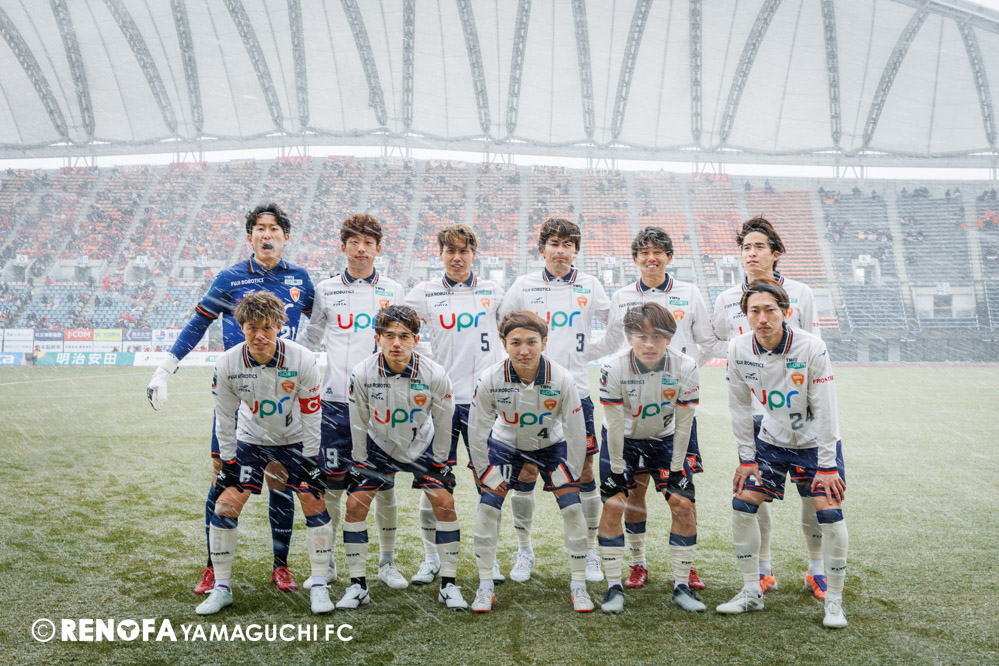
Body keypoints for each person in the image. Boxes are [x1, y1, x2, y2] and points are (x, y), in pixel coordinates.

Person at [146, 203, 315, 596]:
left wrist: (304, 354)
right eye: (260, 228)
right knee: (222, 476)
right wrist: (164, 369)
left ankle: (281, 566)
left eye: (274, 228)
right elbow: (198, 323)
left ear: (286, 237)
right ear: (250, 236)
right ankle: (213, 567)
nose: (267, 234)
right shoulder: (230, 278)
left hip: (283, 395)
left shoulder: (300, 279)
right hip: (239, 393)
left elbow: (320, 322)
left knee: (280, 480)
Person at [717, 279, 848, 629]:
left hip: (814, 444)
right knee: (743, 504)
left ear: (786, 312)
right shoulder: (738, 348)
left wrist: (827, 465)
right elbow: (739, 407)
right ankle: (751, 591)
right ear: (745, 315)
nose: (762, 318)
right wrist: (746, 458)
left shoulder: (812, 347)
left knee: (829, 511)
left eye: (770, 310)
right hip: (772, 441)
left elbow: (826, 410)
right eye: (754, 311)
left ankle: (834, 601)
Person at [589, 227, 714, 591]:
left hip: (672, 404)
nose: (651, 258)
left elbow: (705, 340)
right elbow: (613, 343)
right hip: (632, 402)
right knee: (635, 492)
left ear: (669, 257)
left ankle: (686, 566)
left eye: (658, 252)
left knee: (682, 494)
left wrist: (687, 369)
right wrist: (574, 357)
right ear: (635, 259)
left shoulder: (690, 292)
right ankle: (637, 562)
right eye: (644, 252)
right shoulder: (622, 296)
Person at [195, 291, 334, 616]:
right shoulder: (227, 363)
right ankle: (222, 588)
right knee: (226, 504)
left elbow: (312, 414)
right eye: (252, 328)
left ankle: (319, 585)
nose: (259, 335)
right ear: (242, 327)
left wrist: (311, 460)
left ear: (279, 327)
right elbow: (224, 418)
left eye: (267, 328)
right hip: (251, 440)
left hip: (294, 440)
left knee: (313, 500)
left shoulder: (302, 359)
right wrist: (229, 461)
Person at [710, 216, 827, 599]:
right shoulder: (727, 299)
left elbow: (813, 345)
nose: (752, 254)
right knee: (756, 492)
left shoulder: (801, 292)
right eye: (746, 247)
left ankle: (816, 569)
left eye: (759, 247)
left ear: (776, 253)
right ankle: (763, 569)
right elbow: (718, 341)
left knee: (811, 494)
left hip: (797, 412)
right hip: (756, 414)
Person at [296, 214, 408, 590]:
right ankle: (326, 564)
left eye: (368, 243)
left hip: (380, 406)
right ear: (342, 246)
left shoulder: (393, 289)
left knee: (384, 487)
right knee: (331, 487)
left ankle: (387, 563)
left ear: (379, 248)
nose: (361, 249)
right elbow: (311, 338)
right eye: (354, 242)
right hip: (334, 405)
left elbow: (402, 343)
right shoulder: (325, 289)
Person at [499, 218, 610, 584]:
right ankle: (524, 550)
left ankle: (589, 550)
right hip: (529, 394)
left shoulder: (590, 285)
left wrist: (588, 353)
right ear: (542, 249)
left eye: (568, 244)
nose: (560, 250)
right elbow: (503, 327)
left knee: (584, 472)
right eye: (554, 243)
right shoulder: (523, 285)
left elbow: (615, 326)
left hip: (575, 392)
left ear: (576, 250)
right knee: (526, 471)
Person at [338, 305, 466, 610]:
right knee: (354, 506)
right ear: (377, 338)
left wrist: (441, 462)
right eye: (389, 335)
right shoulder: (362, 372)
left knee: (445, 504)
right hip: (379, 444)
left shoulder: (434, 373)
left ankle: (449, 585)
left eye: (404, 336)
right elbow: (358, 420)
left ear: (416, 339)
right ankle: (358, 586)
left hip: (421, 443)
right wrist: (359, 460)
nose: (396, 343)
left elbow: (444, 421)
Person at [467, 311, 592, 613]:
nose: (524, 350)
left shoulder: (562, 378)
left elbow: (577, 432)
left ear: (544, 343)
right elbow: (476, 431)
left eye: (531, 342)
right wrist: (485, 471)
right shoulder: (489, 378)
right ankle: (485, 586)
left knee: (572, 508)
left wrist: (571, 470)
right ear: (504, 344)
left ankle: (579, 585)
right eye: (515, 343)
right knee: (487, 508)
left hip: (551, 445)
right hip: (505, 445)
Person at [405, 224, 506, 585]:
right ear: (441, 255)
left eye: (464, 251)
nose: (457, 258)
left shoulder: (493, 291)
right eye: (450, 251)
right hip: (441, 403)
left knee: (489, 484)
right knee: (434, 483)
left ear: (474, 254)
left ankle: (488, 558)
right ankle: (431, 558)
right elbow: (398, 328)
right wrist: (428, 360)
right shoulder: (424, 292)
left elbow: (511, 335)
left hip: (484, 404)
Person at [597, 303, 703, 615]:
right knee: (616, 503)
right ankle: (619, 581)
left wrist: (676, 470)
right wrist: (618, 471)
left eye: (657, 336)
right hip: (623, 439)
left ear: (669, 338)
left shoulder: (686, 366)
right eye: (641, 336)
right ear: (629, 337)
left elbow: (684, 425)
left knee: (682, 503)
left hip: (667, 438)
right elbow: (615, 424)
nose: (649, 344)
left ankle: (681, 583)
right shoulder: (613, 367)